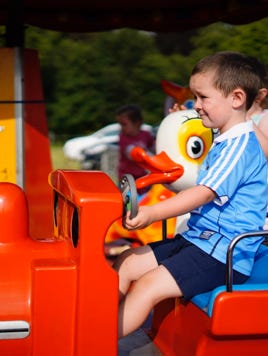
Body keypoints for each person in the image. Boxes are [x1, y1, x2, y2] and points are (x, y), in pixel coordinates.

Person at [113, 51, 268, 339]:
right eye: (194, 98)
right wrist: (183, 115)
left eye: (202, 98)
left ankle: (93, 338)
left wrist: (151, 213)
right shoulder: (225, 136)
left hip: (222, 254)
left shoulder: (239, 146)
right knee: (127, 260)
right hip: (199, 240)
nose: (195, 105)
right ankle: (93, 317)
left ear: (236, 99)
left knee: (148, 286)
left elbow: (203, 193)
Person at [116, 104, 155, 182]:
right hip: (127, 177)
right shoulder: (123, 137)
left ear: (137, 122)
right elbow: (129, 152)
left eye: (124, 124)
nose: (121, 128)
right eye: (120, 124)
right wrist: (145, 155)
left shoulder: (146, 135)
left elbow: (153, 149)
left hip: (143, 175)